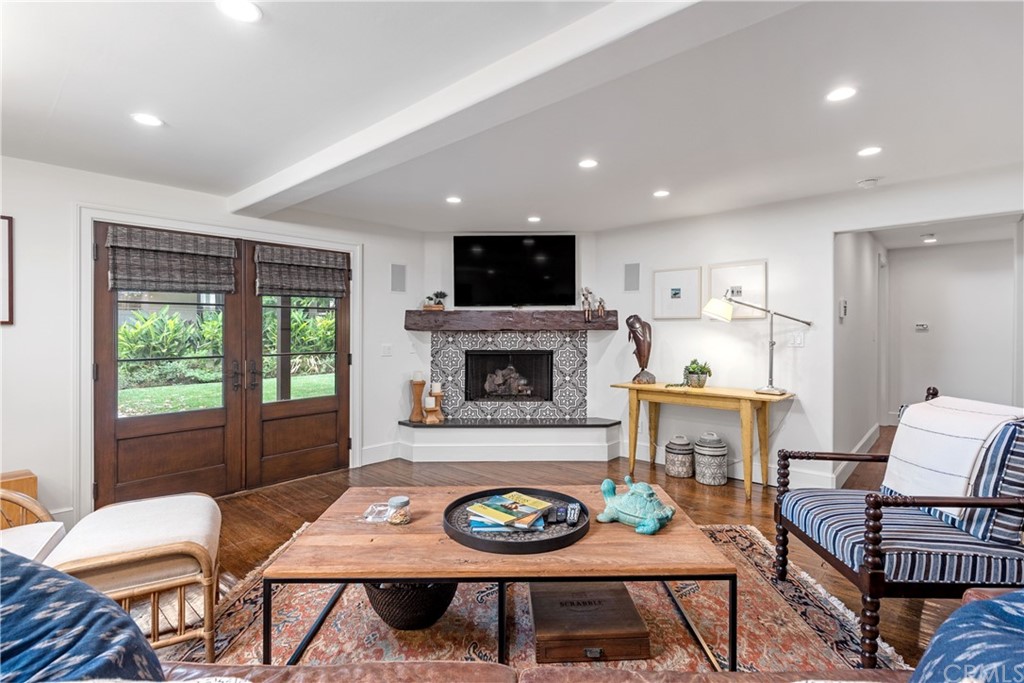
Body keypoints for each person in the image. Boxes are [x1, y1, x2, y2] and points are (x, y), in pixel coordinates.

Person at [626, 314, 655, 383]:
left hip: (643, 348)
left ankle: (643, 365)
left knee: (644, 349)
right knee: (642, 349)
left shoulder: (646, 326)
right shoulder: (646, 326)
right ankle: (643, 366)